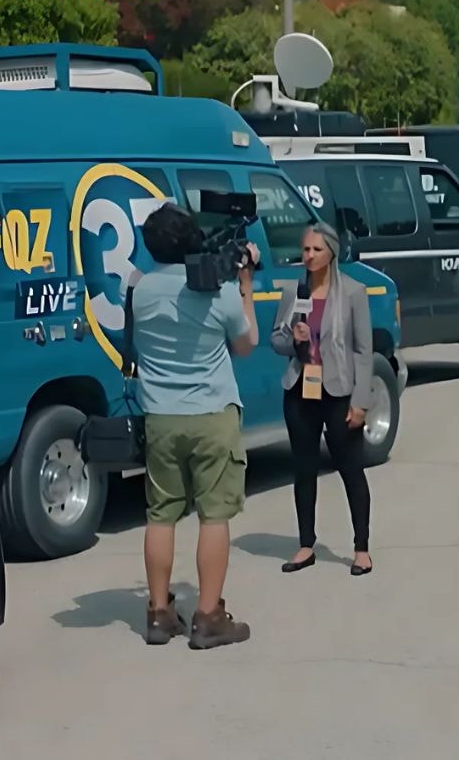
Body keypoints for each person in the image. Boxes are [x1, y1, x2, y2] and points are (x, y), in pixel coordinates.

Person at [130, 204, 258, 649]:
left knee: (160, 515)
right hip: (211, 413)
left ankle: (159, 613)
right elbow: (246, 345)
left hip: (161, 417)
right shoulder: (214, 290)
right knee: (214, 514)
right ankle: (209, 616)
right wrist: (244, 284)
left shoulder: (140, 290)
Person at [272, 224, 376, 577]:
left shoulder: (352, 293)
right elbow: (276, 341)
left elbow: (363, 351)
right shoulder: (294, 292)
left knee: (350, 468)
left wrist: (360, 402)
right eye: (305, 250)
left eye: (317, 249)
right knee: (304, 469)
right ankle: (305, 544)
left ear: (331, 251)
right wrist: (292, 337)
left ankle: (361, 548)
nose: (310, 256)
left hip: (338, 391)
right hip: (300, 389)